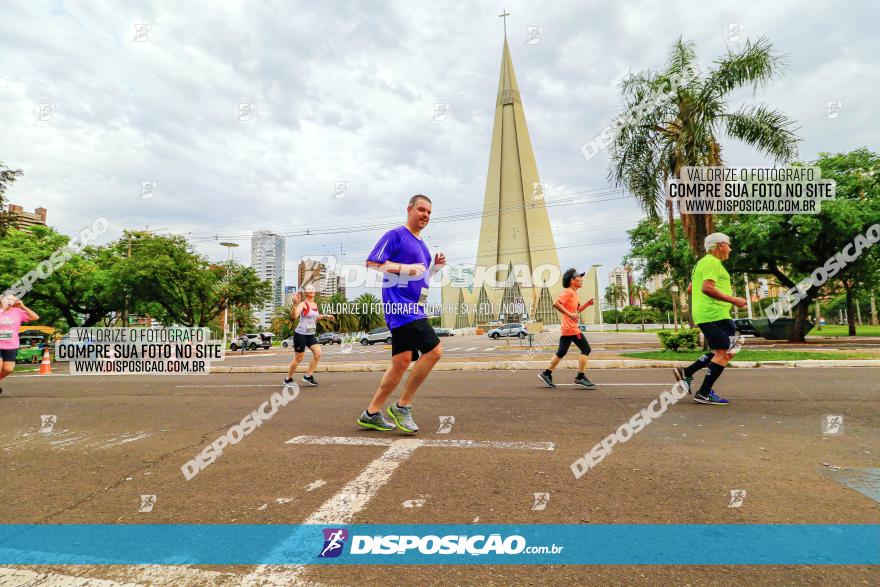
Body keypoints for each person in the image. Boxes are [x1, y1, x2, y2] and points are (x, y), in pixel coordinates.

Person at [357, 194, 445, 433]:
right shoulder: (396, 235)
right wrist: (404, 268)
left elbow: (420, 278)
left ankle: (371, 413)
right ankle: (402, 405)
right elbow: (372, 263)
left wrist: (434, 269)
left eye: (429, 212)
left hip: (414, 307)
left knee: (401, 363)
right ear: (409, 209)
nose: (425, 215)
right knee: (434, 351)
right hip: (402, 307)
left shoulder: (423, 247)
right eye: (421, 210)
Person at [673, 232, 747, 405]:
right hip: (714, 314)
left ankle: (688, 372)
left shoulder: (701, 263)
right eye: (728, 244)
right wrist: (734, 299)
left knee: (727, 350)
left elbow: (692, 288)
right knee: (726, 351)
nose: (730, 248)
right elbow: (706, 288)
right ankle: (704, 392)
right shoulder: (713, 262)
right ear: (720, 245)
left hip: (710, 314)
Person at [538, 268, 596, 389]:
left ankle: (546, 373)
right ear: (572, 280)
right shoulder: (568, 292)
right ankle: (580, 377)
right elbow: (555, 303)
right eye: (579, 277)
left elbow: (576, 311)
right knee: (586, 349)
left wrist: (587, 304)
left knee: (561, 352)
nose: (581, 279)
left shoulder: (574, 294)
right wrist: (569, 315)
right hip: (571, 328)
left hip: (567, 328)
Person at [283, 284, 334, 387]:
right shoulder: (303, 304)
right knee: (299, 358)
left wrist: (326, 316)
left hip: (311, 335)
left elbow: (315, 317)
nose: (311, 290)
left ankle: (308, 376)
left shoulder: (315, 304)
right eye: (309, 289)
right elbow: (294, 316)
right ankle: (288, 379)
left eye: (313, 289)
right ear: (305, 293)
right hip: (300, 334)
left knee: (318, 354)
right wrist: (295, 305)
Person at [0, 294, 40, 394]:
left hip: (11, 345)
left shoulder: (18, 312)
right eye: (7, 298)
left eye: (12, 298)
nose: (10, 300)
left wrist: (22, 306)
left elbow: (35, 317)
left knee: (8, 369)